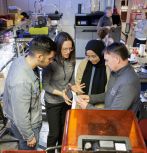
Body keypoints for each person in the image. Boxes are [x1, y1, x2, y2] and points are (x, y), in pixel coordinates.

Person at [3, 36, 56, 150]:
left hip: (27, 119)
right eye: (50, 59)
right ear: (40, 56)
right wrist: (29, 136)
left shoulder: (22, 60)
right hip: (28, 126)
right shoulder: (22, 81)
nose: (51, 62)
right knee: (29, 149)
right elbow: (20, 115)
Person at [42, 32, 84, 153]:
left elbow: (71, 79)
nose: (68, 52)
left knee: (64, 131)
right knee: (54, 133)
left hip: (67, 100)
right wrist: (61, 93)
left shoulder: (71, 59)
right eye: (65, 49)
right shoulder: (50, 62)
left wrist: (73, 87)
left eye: (70, 48)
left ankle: (62, 151)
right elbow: (45, 85)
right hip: (53, 101)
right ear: (58, 48)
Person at [77, 42, 141, 114]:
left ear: (117, 59)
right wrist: (90, 98)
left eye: (107, 60)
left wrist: (87, 107)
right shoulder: (115, 72)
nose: (105, 63)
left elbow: (114, 114)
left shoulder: (128, 83)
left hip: (121, 123)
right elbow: (110, 94)